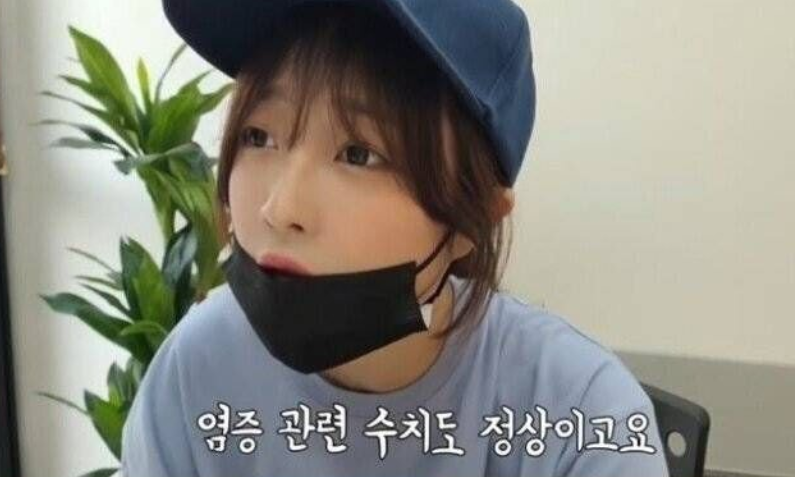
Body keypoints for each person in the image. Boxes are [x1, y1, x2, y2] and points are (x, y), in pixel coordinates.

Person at [121, 1, 671, 476]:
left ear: (471, 222)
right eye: (259, 136)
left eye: (359, 154)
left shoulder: (580, 413)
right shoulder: (196, 371)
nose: (280, 208)